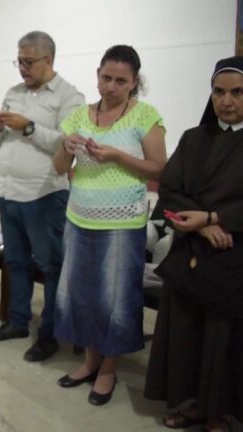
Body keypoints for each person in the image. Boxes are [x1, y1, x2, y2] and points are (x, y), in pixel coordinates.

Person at [52, 45, 166, 406]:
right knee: (81, 293)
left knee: (115, 297)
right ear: (97, 75)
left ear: (134, 83)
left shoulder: (144, 116)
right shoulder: (78, 116)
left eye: (121, 81)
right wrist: (67, 146)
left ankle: (108, 369)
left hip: (123, 222)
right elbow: (58, 168)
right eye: (106, 78)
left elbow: (160, 168)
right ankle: (89, 361)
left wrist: (117, 155)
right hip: (79, 217)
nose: (112, 86)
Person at [144, 56, 243, 432]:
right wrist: (200, 226)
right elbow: (169, 191)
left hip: (235, 260)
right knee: (187, 337)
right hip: (191, 253)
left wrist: (217, 219)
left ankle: (221, 411)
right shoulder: (193, 138)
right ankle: (189, 404)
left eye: (237, 92)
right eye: (219, 92)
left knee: (225, 340)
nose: (226, 101)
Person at [0, 31, 85, 362]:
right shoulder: (14, 92)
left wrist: (28, 127)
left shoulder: (70, 97)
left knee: (50, 265)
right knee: (15, 261)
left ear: (48, 60)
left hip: (44, 194)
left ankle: (50, 333)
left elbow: (66, 145)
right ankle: (18, 321)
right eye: (19, 61)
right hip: (9, 191)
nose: (22, 68)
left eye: (28, 62)